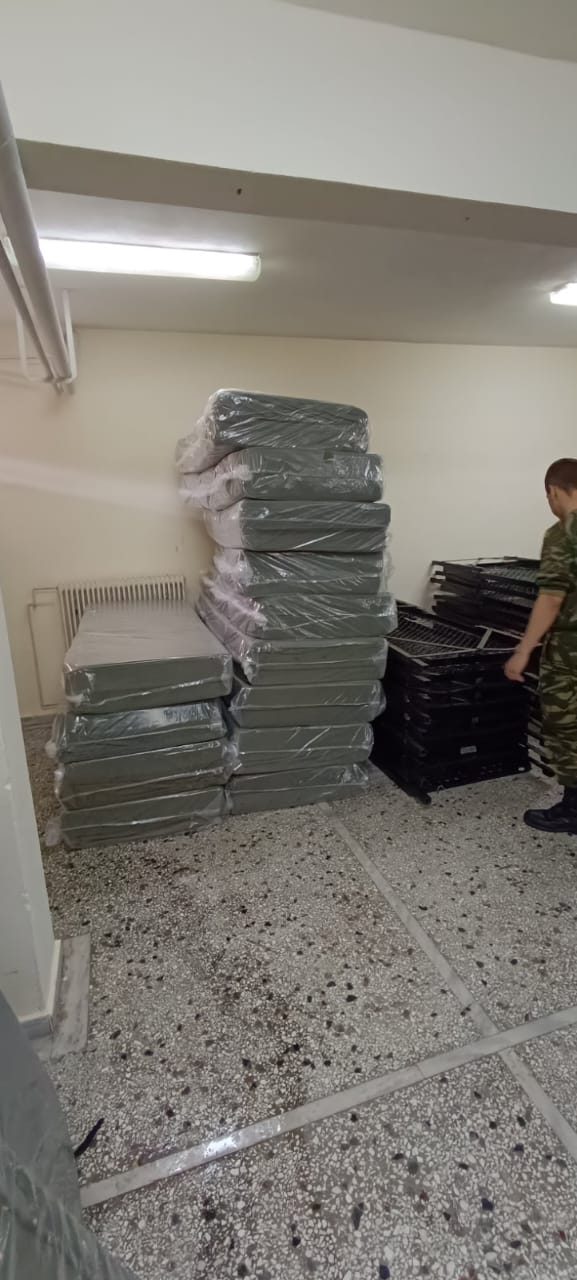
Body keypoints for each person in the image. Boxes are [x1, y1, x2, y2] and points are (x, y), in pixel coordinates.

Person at [504, 457, 577, 833]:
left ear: (553, 491)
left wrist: (523, 651)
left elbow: (550, 599)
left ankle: (573, 810)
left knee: (566, 727)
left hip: (570, 654)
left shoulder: (563, 532)